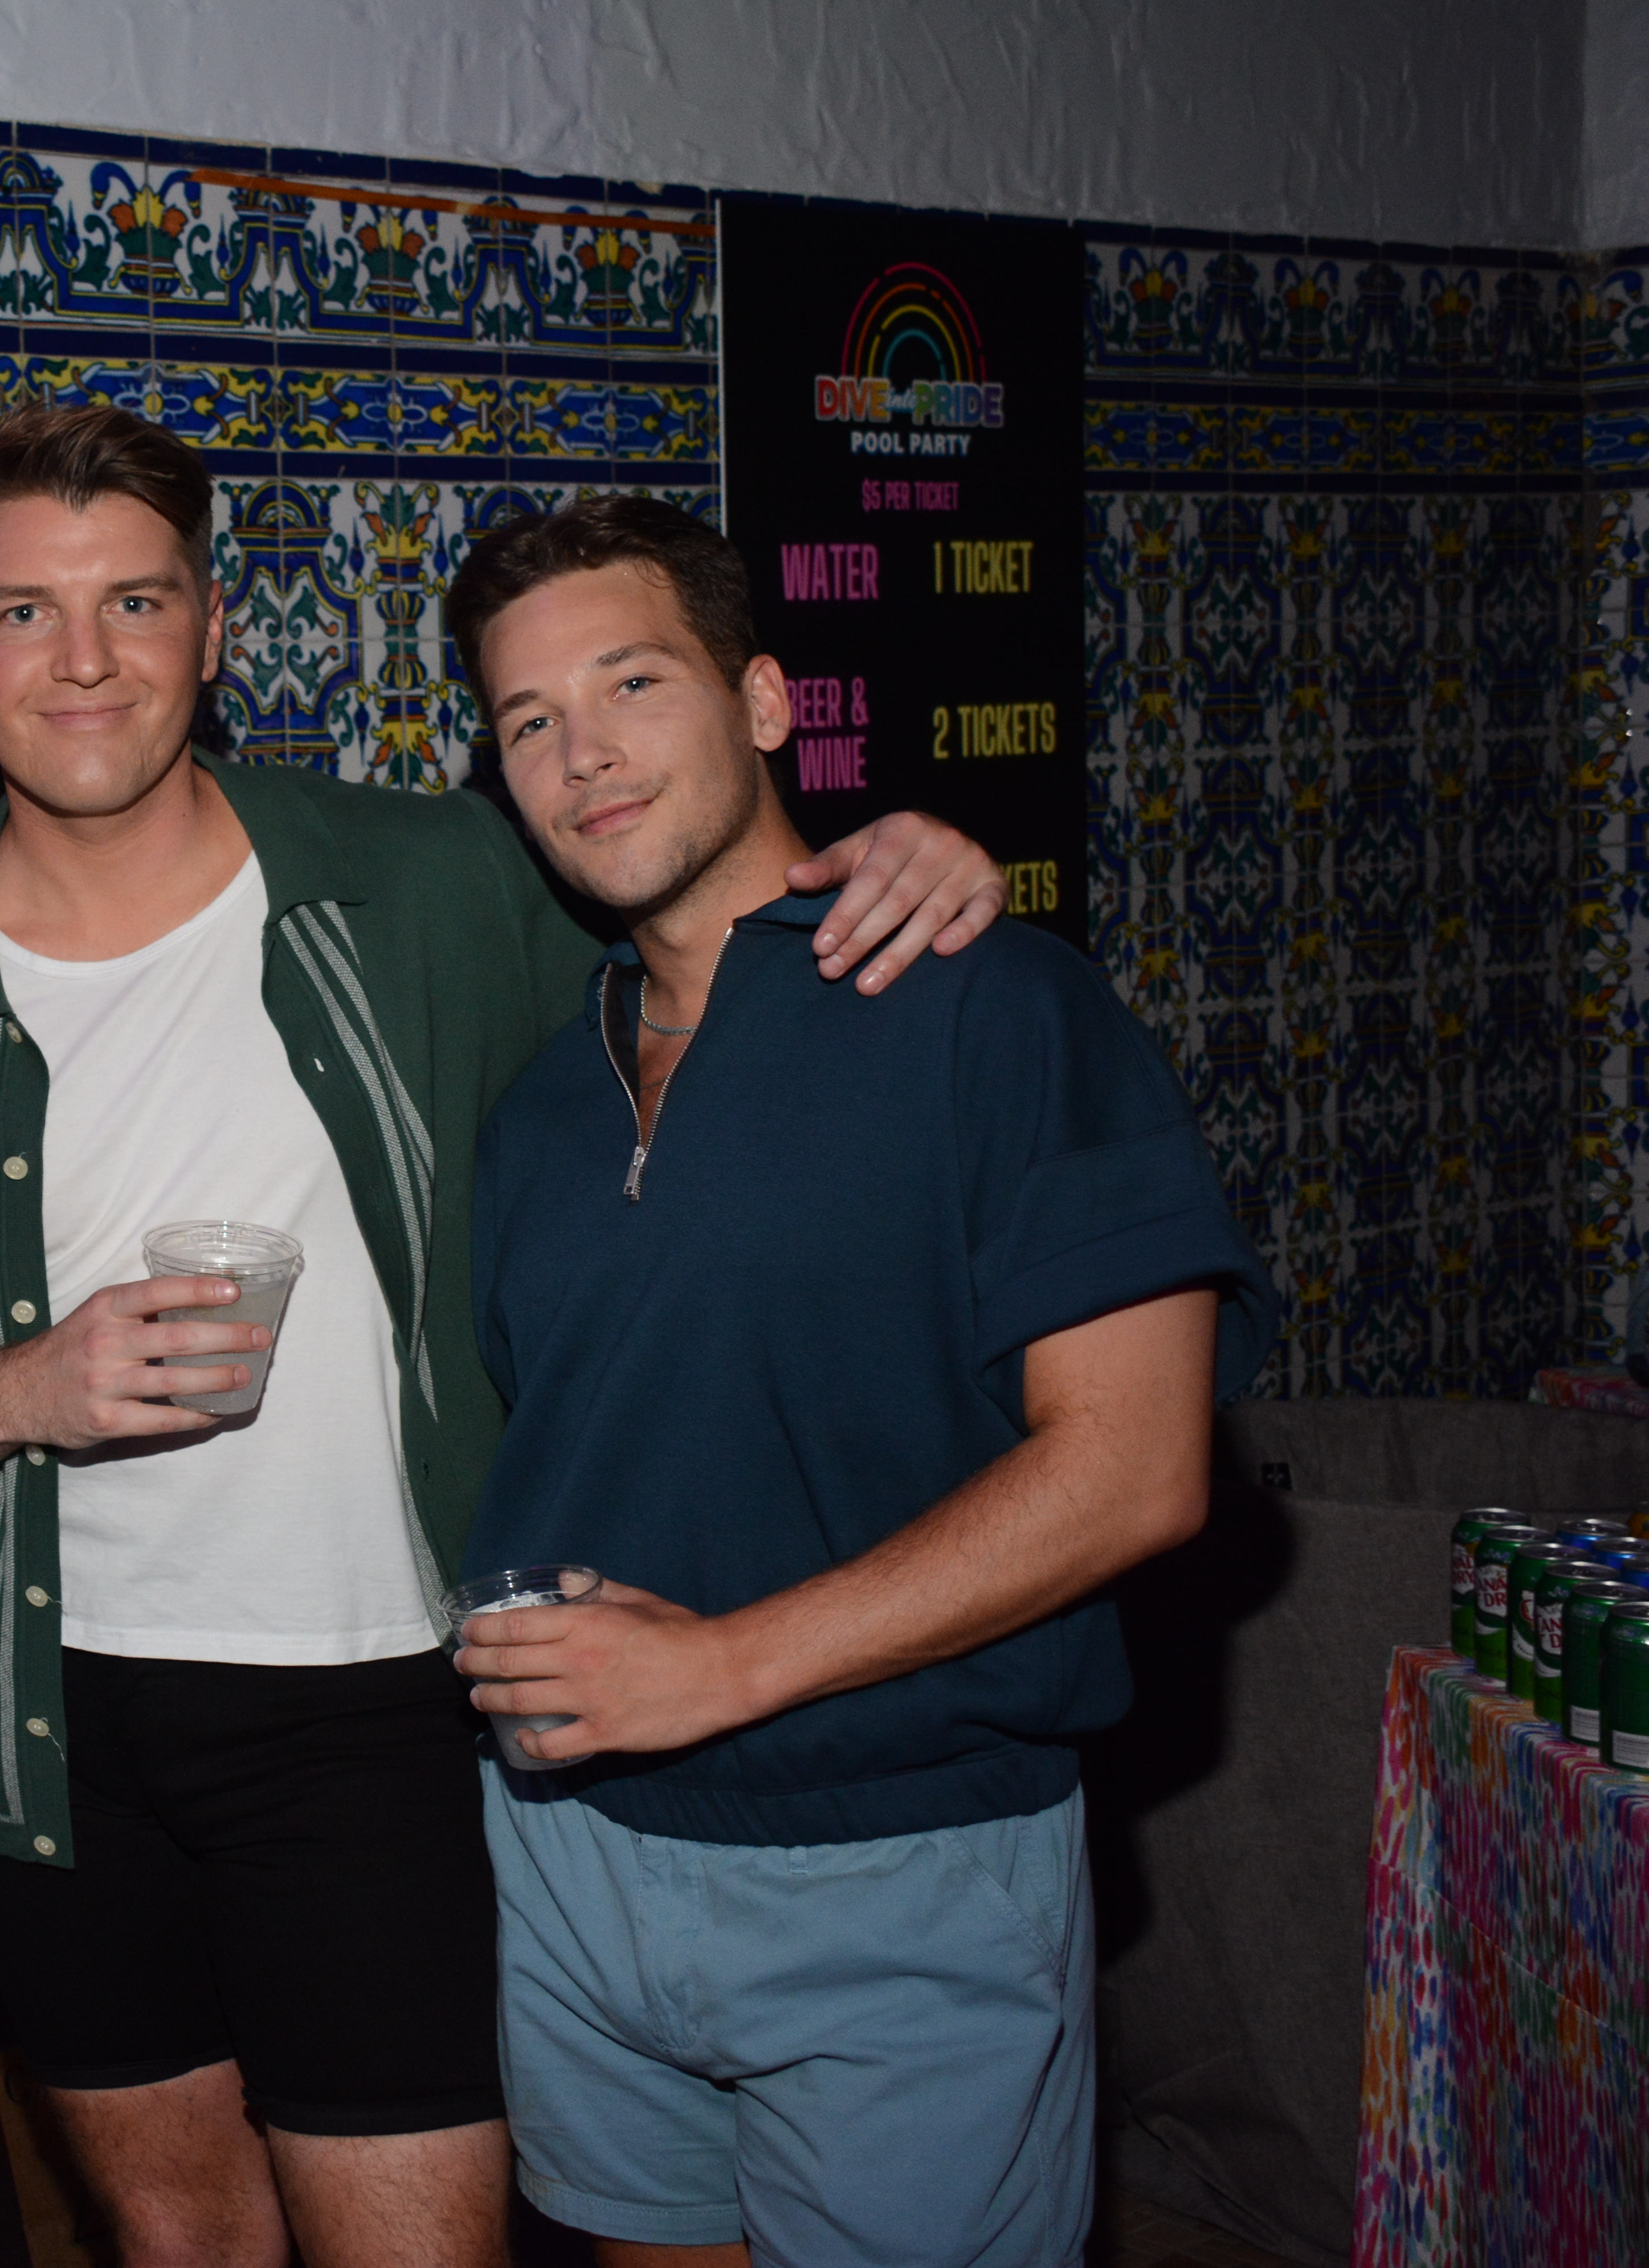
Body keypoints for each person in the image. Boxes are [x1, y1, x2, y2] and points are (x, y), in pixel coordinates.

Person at [0, 402, 1008, 2268]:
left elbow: (695, 940)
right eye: (23, 612)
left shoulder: (432, 881)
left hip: (383, 1705)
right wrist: (26, 1390)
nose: (82, 661)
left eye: (135, 603)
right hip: (51, 1731)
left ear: (213, 631)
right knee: (180, 2241)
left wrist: (892, 852)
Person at [445, 495, 1274, 2268]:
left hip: (901, 1856)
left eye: (633, 683)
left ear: (763, 702)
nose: (584, 755)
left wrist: (724, 1667)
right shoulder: (539, 1106)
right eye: (528, 721)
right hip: (575, 1858)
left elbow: (1137, 1470)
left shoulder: (995, 1009)